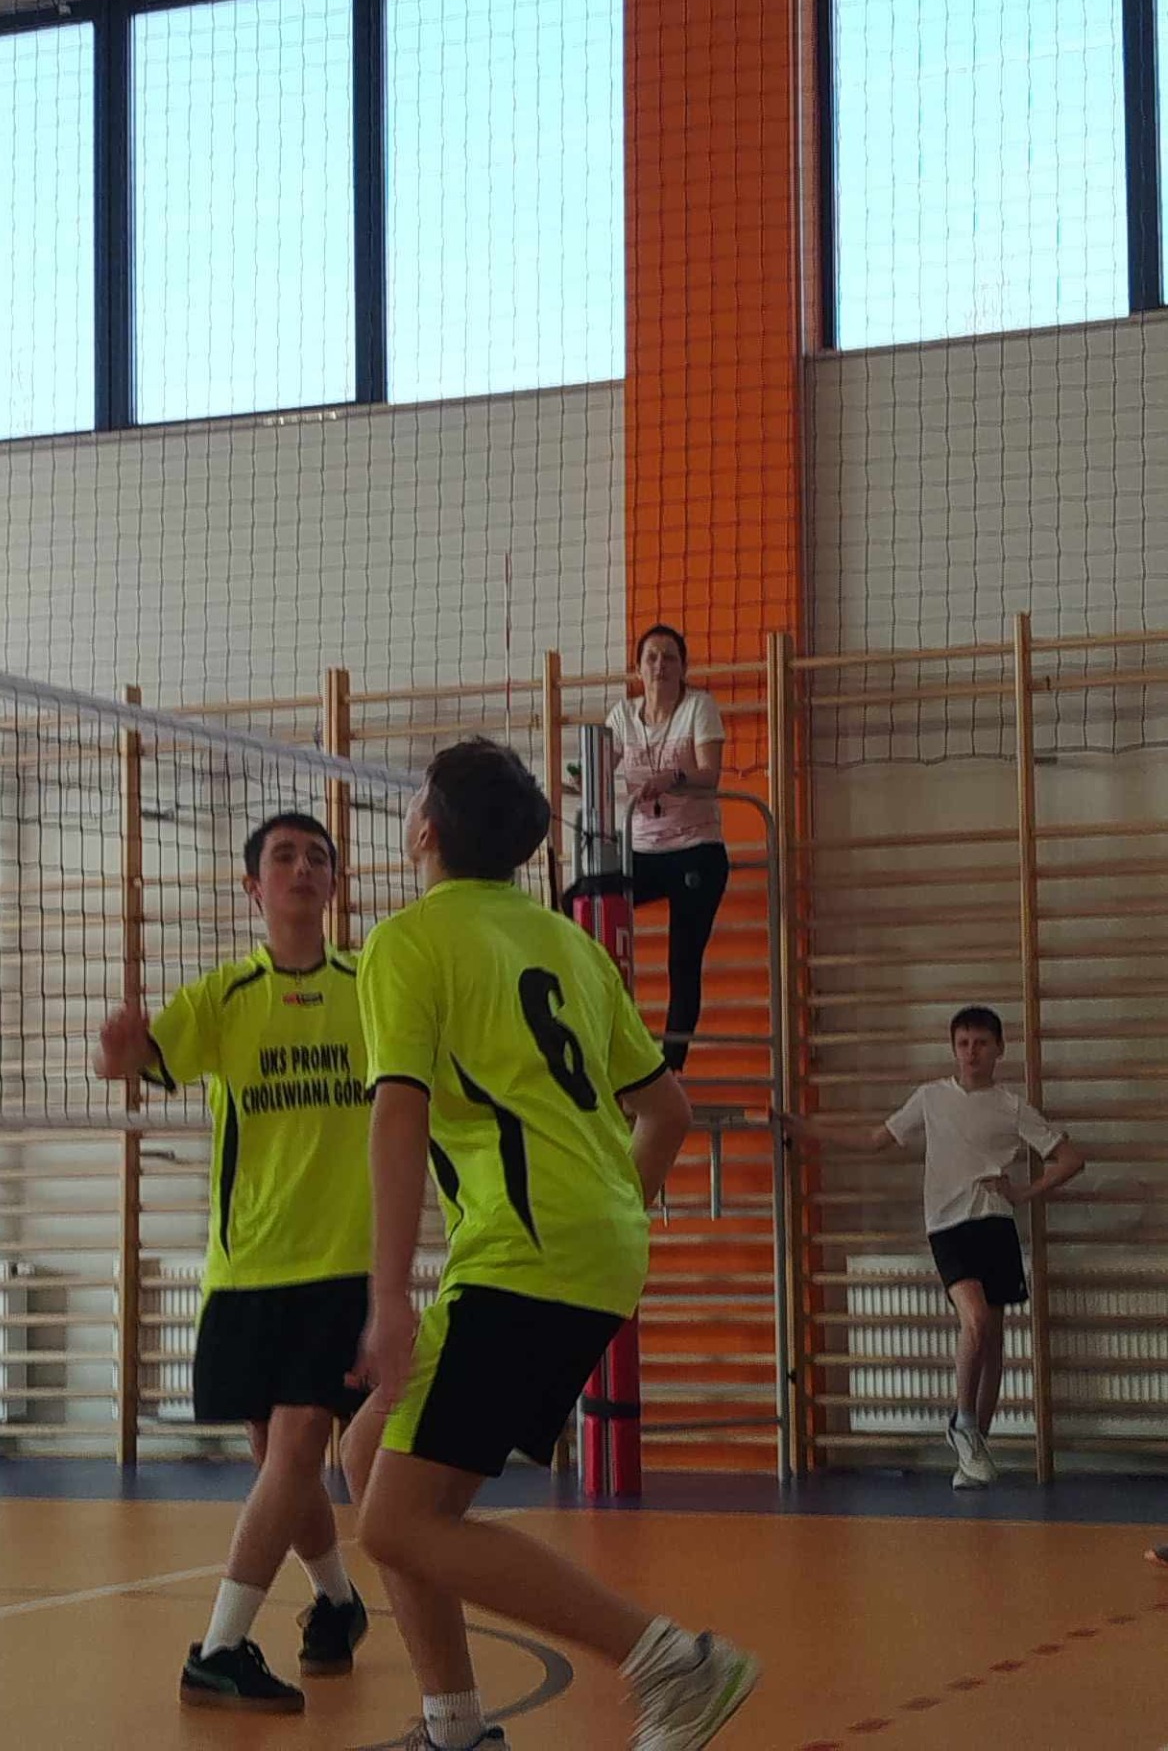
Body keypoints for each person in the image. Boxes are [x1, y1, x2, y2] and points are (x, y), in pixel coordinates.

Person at [344, 738, 758, 1751]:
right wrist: (610, 1215)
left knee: (397, 1522)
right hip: (596, 1238)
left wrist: (387, 1295)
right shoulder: (571, 943)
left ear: (425, 829)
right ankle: (454, 1727)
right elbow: (667, 1113)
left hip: (522, 1252)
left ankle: (673, 1661)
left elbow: (398, 1115)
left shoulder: (407, 942)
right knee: (370, 1456)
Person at [95, 811, 372, 1716]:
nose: (303, 867)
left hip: (337, 1264)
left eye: (317, 857)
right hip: (245, 1267)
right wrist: (121, 1048)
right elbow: (136, 1063)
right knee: (276, 1459)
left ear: (333, 885)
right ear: (254, 887)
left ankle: (218, 1649)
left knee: (295, 1446)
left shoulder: (370, 990)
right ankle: (337, 1602)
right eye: (284, 856)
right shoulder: (224, 994)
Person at [787, 1006, 1084, 1489]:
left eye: (981, 1043)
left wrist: (1023, 1192)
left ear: (999, 1049)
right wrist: (807, 1128)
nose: (972, 1052)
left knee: (993, 1341)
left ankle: (975, 1450)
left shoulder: (1011, 1106)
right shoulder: (931, 1097)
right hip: (949, 1227)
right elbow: (874, 1139)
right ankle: (962, 1422)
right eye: (963, 1043)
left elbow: (1070, 1159)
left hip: (995, 1223)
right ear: (953, 1049)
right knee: (976, 1320)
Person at [606, 623, 728, 1071]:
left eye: (670, 657)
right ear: (638, 669)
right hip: (642, 852)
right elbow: (597, 767)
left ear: (683, 667)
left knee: (682, 961)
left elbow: (709, 774)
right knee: (582, 899)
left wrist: (672, 777)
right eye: (652, 657)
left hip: (696, 849)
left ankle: (671, 1065)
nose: (660, 665)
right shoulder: (622, 715)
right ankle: (605, 1033)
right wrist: (572, 779)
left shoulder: (699, 706)